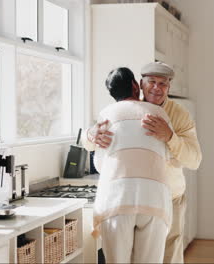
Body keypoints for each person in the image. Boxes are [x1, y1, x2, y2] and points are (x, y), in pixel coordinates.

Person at [86, 62, 202, 263]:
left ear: (169, 87)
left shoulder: (179, 115)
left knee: (168, 258)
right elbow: (90, 143)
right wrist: (91, 134)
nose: (157, 88)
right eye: (151, 82)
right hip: (136, 198)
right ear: (139, 84)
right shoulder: (125, 110)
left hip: (170, 197)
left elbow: (194, 160)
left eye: (163, 84)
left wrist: (170, 137)